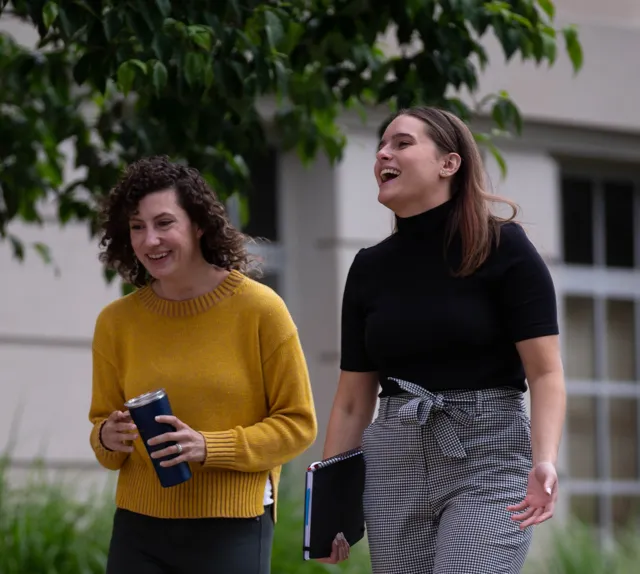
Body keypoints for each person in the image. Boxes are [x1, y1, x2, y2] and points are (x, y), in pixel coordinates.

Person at [319, 107, 566, 573]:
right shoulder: (369, 268)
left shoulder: (504, 247)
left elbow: (546, 370)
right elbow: (353, 400)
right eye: (381, 146)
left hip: (487, 455)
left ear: (448, 164)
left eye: (402, 143)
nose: (383, 154)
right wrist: (331, 501)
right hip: (395, 455)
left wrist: (545, 461)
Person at [88, 156, 317, 574]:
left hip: (233, 525)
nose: (149, 240)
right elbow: (103, 440)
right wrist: (108, 435)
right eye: (137, 227)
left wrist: (209, 446)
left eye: (164, 223)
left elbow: (298, 425)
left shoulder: (260, 310)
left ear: (198, 225)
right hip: (139, 529)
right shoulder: (116, 322)